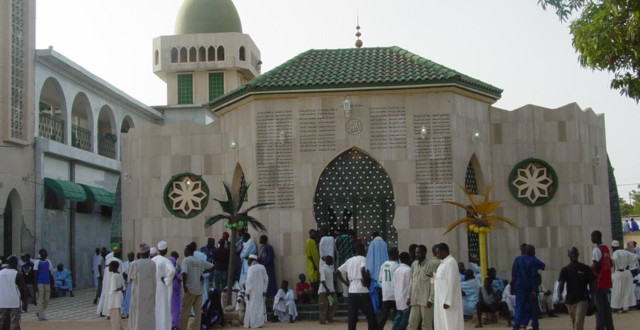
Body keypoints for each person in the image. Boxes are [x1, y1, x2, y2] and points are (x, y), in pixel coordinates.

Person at [336, 242, 377, 330]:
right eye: (363, 248)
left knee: (352, 317)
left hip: (352, 290)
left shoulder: (349, 260)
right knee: (370, 316)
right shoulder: (363, 259)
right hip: (362, 290)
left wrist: (346, 283)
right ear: (360, 249)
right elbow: (362, 269)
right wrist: (365, 281)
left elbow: (338, 272)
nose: (365, 250)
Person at [558, 247, 595, 330]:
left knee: (578, 323)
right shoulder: (565, 270)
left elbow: (592, 283)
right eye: (571, 253)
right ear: (568, 255)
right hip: (570, 301)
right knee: (575, 323)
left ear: (578, 254)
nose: (573, 255)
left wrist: (592, 299)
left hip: (583, 299)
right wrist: (559, 293)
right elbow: (561, 283)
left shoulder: (585, 268)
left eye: (575, 253)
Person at [179, 244, 213, 330]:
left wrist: (184, 287)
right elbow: (212, 267)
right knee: (198, 312)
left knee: (185, 310)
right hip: (198, 290)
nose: (184, 252)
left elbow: (184, 273)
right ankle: (195, 327)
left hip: (189, 289)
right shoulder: (199, 261)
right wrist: (201, 273)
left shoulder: (185, 260)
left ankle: (182, 327)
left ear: (189, 251)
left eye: (185, 250)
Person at [511, 244, 545, 330]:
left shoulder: (517, 260)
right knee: (533, 308)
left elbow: (513, 275)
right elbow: (534, 276)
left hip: (519, 288)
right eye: (533, 251)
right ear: (531, 251)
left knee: (519, 308)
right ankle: (535, 326)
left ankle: (516, 326)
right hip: (530, 288)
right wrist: (534, 289)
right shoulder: (532, 261)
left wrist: (514, 286)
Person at [407, 244, 438, 330]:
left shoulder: (431, 265)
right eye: (416, 253)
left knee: (426, 325)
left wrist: (431, 299)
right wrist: (408, 297)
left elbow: (433, 283)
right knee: (411, 324)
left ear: (425, 253)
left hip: (426, 301)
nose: (417, 255)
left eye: (419, 253)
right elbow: (411, 282)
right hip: (414, 299)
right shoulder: (414, 264)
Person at [433, 243, 463, 330]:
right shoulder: (443, 263)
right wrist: (434, 276)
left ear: (444, 251)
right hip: (441, 298)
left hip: (448, 300)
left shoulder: (451, 262)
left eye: (438, 253)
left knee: (450, 323)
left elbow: (451, 282)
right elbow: (442, 278)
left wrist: (448, 301)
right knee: (442, 322)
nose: (437, 255)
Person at [128, 243, 157, 330]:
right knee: (148, 315)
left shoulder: (134, 264)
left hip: (137, 295)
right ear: (148, 253)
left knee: (137, 314)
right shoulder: (152, 264)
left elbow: (129, 279)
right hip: (149, 294)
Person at [591, 230, 614, 330]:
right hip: (606, 282)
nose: (591, 239)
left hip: (598, 282)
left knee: (599, 309)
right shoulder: (606, 249)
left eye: (592, 237)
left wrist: (587, 269)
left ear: (596, 237)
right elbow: (611, 263)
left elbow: (595, 266)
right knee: (606, 309)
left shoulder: (596, 250)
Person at [152, 241, 176, 330]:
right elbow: (172, 271)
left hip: (154, 286)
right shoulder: (165, 261)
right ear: (166, 250)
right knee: (164, 308)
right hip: (162, 286)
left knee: (155, 308)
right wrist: (166, 280)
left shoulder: (153, 260)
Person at [610, 240, 638, 312]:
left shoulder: (615, 253)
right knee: (626, 290)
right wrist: (630, 265)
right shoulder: (624, 252)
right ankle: (625, 307)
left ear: (612, 247)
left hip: (619, 273)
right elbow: (635, 257)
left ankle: (617, 307)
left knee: (617, 290)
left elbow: (615, 259)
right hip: (627, 272)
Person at [0, 256, 28, 329]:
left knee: (1, 321)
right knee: (14, 321)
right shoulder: (18, 274)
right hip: (14, 301)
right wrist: (24, 300)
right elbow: (22, 289)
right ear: (16, 263)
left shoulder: (1, 273)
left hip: (2, 301)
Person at [377, 246, 399, 329]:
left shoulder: (383, 265)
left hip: (385, 294)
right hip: (394, 294)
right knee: (397, 314)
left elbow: (380, 280)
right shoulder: (397, 266)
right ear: (395, 254)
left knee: (384, 315)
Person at [244, 254, 268, 328]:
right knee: (259, 307)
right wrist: (264, 290)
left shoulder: (251, 268)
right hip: (260, 291)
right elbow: (266, 279)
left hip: (252, 292)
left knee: (251, 306)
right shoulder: (262, 267)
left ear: (251, 260)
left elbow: (249, 281)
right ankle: (259, 323)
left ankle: (252, 324)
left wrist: (247, 292)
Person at [98, 249, 122, 317]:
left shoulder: (108, 260)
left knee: (108, 297)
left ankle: (107, 313)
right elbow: (120, 273)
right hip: (115, 282)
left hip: (108, 282)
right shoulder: (118, 261)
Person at [392, 252, 412, 330]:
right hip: (405, 298)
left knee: (399, 317)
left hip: (398, 298)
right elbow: (410, 285)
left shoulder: (397, 270)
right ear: (407, 259)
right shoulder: (408, 270)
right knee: (405, 320)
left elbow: (393, 284)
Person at [34, 248, 54, 321]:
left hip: (47, 282)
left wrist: (52, 282)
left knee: (47, 299)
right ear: (41, 254)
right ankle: (42, 316)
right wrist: (35, 285)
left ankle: (39, 312)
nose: (46, 253)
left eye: (46, 252)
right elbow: (35, 273)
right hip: (40, 282)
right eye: (44, 252)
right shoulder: (37, 262)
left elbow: (50, 273)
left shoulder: (48, 262)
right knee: (40, 299)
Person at [318, 255, 337, 324]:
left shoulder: (330, 268)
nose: (332, 261)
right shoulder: (323, 269)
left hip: (331, 290)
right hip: (324, 291)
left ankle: (329, 318)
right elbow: (322, 281)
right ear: (328, 261)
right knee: (323, 306)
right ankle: (322, 320)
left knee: (334, 303)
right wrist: (327, 289)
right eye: (331, 260)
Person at [335, 229, 354, 296]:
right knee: (350, 277)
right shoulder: (350, 238)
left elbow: (337, 249)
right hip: (350, 260)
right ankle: (351, 291)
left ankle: (345, 293)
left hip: (342, 260)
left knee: (343, 276)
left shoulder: (338, 239)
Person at [107, 260, 125, 330]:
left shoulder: (114, 276)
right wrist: (119, 288)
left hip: (114, 298)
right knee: (118, 315)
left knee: (114, 317)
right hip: (119, 297)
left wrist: (118, 288)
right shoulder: (120, 275)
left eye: (110, 267)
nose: (109, 268)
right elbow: (123, 287)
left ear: (114, 267)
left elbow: (114, 288)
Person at [305, 229, 320, 294]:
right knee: (313, 281)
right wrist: (313, 264)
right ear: (310, 233)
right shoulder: (308, 241)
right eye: (313, 233)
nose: (315, 234)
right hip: (312, 264)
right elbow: (309, 255)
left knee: (317, 280)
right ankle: (313, 295)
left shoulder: (314, 241)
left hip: (316, 263)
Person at [120, 252, 134, 318]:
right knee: (126, 298)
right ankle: (126, 312)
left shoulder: (135, 263)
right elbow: (123, 273)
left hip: (134, 283)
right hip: (127, 283)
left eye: (132, 256)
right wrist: (129, 278)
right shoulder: (124, 264)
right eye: (130, 256)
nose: (131, 257)